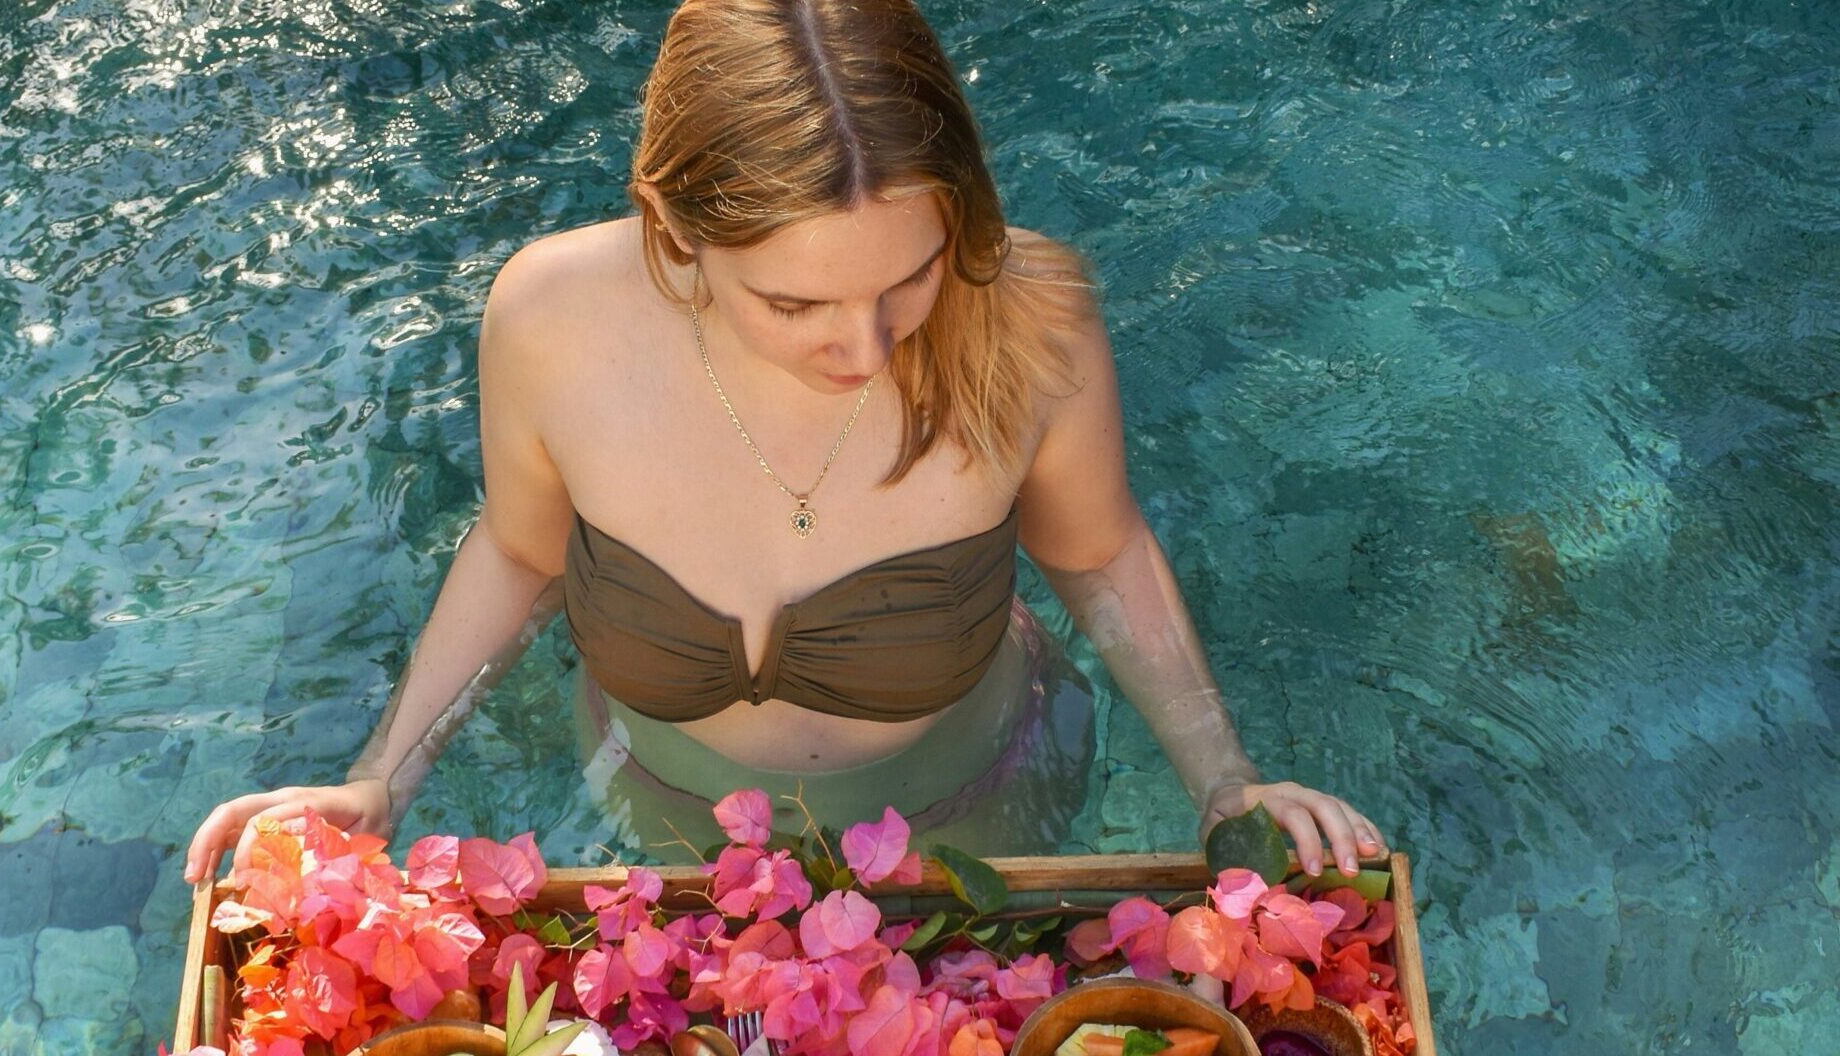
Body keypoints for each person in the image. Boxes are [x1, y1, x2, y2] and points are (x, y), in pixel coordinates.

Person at [184, 0, 1387, 884]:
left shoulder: (1030, 315)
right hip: (657, 809)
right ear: (674, 229)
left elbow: (1100, 553)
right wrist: (382, 778)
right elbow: (519, 553)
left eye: (906, 281)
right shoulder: (548, 317)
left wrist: (1224, 779)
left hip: (977, 809)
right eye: (792, 305)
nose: (863, 349)